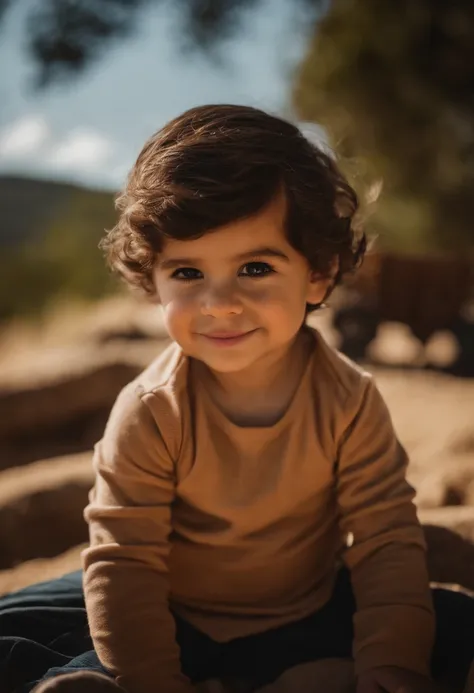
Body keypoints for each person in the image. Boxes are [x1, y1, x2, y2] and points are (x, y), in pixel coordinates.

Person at [1, 104, 474, 693]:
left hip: (307, 608)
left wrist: (390, 665)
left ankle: (313, 674)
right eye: (187, 273)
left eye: (254, 267)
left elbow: (385, 541)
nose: (218, 303)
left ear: (319, 273)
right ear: (152, 279)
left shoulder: (351, 400)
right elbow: (124, 562)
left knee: (451, 622)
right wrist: (151, 679)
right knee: (18, 628)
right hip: (173, 610)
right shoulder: (151, 409)